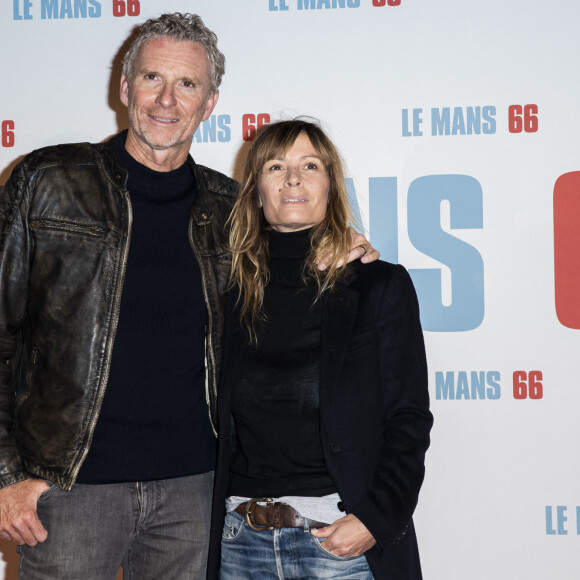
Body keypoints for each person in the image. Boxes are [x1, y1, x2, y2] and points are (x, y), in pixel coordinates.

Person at [0, 14, 378, 580]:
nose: (166, 100)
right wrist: (6, 477)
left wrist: (344, 243)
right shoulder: (48, 180)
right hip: (69, 491)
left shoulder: (231, 209)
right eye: (152, 78)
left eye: (188, 85)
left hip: (195, 495)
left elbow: (296, 256)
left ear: (211, 101)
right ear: (125, 87)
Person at [207, 119, 433, 579]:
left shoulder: (378, 286)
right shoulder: (224, 291)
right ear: (254, 190)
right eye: (276, 166)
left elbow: (408, 419)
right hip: (238, 545)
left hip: (338, 544)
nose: (293, 178)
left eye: (309, 165)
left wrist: (374, 519)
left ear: (330, 185)